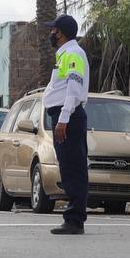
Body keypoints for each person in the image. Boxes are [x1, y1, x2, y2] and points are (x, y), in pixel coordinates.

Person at [43, 14, 90, 235]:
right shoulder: (66, 54)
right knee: (70, 166)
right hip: (66, 116)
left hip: (68, 118)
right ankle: (74, 217)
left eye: (53, 30)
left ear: (60, 32)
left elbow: (74, 89)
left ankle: (74, 219)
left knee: (73, 168)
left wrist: (63, 119)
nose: (50, 34)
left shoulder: (72, 54)